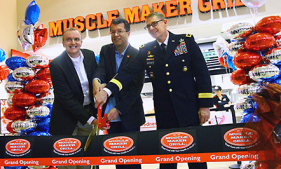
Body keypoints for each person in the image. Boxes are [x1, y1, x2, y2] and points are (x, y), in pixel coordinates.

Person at [94, 12, 213, 169]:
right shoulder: (146, 50)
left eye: (154, 24)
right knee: (167, 160)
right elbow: (127, 73)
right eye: (148, 26)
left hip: (189, 109)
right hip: (164, 113)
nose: (151, 28)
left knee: (195, 157)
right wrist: (107, 91)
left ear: (164, 22)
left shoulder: (185, 41)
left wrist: (204, 105)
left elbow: (202, 74)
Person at [92, 18, 145, 169]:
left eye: (120, 31)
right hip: (109, 116)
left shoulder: (137, 55)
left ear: (128, 33)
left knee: (131, 160)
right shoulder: (105, 50)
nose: (116, 35)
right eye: (113, 32)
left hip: (129, 113)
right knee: (117, 156)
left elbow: (136, 88)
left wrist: (119, 109)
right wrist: (96, 80)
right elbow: (101, 69)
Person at [49, 27, 102, 169]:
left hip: (87, 114)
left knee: (86, 162)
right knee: (67, 163)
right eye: (69, 39)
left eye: (76, 39)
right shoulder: (56, 64)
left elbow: (97, 74)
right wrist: (91, 119)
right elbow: (66, 98)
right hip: (65, 119)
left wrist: (97, 80)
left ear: (81, 41)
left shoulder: (89, 55)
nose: (73, 42)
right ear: (63, 42)